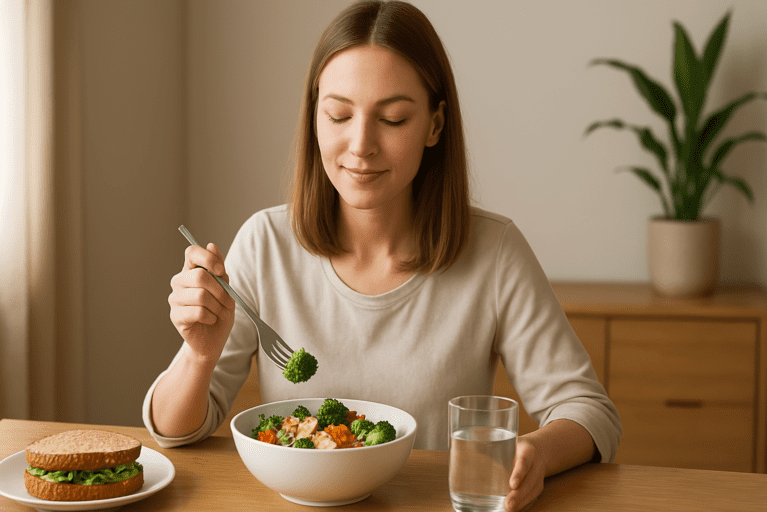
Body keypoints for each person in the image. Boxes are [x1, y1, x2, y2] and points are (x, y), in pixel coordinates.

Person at [143, 1, 621, 510]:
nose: (361, 144)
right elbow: (174, 433)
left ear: (435, 126)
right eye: (339, 115)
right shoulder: (265, 243)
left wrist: (536, 452)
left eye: (392, 119)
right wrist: (200, 355)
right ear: (315, 119)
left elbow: (589, 411)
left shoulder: (494, 253)